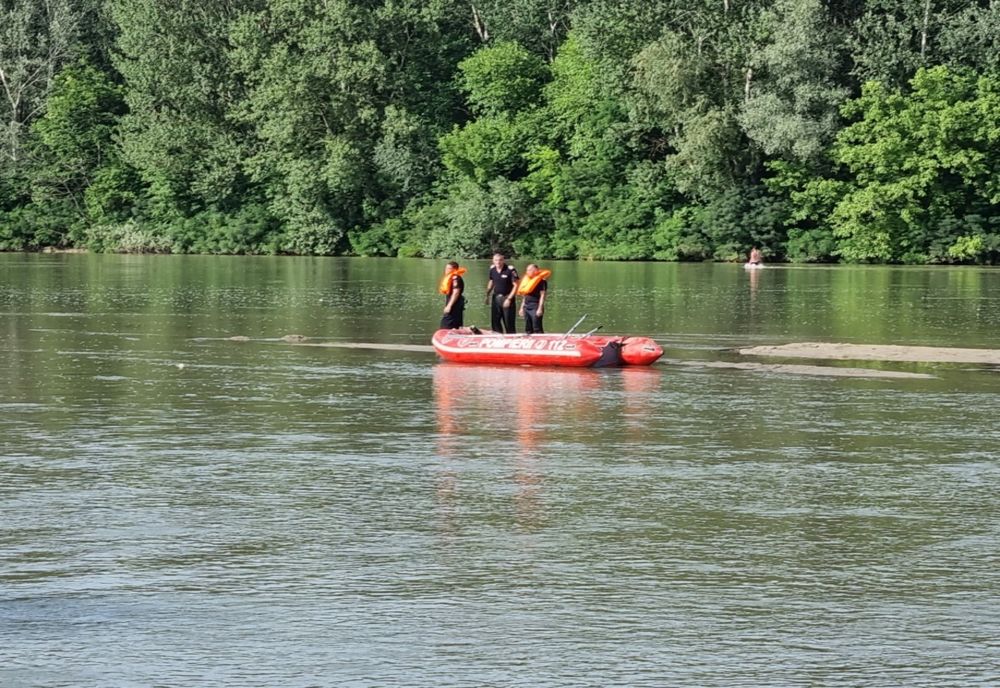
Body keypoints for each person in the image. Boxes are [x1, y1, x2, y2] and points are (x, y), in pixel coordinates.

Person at [485, 253, 519, 333]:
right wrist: (487, 295)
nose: (498, 262)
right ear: (493, 261)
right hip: (496, 298)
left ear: (503, 260)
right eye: (496, 260)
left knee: (508, 322)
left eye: (500, 260)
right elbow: (491, 281)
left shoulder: (510, 270)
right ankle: (497, 338)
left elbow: (516, 285)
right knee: (495, 321)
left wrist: (509, 299)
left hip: (507, 297)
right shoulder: (492, 269)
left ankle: (511, 339)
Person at [517, 264, 550, 334]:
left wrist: (540, 308)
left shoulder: (542, 282)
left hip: (535, 306)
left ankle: (541, 340)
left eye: (529, 270)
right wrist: (521, 308)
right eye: (527, 270)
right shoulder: (527, 281)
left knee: (537, 327)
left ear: (535, 271)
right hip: (526, 306)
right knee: (528, 328)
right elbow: (525, 295)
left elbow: (543, 295)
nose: (527, 272)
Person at [439, 260, 466, 329]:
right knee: (456, 322)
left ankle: (447, 335)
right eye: (446, 268)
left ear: (454, 269)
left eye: (448, 268)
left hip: (455, 303)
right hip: (453, 302)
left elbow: (456, 292)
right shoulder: (451, 278)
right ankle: (456, 333)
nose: (446, 270)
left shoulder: (455, 279)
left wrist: (449, 306)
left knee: (446, 323)